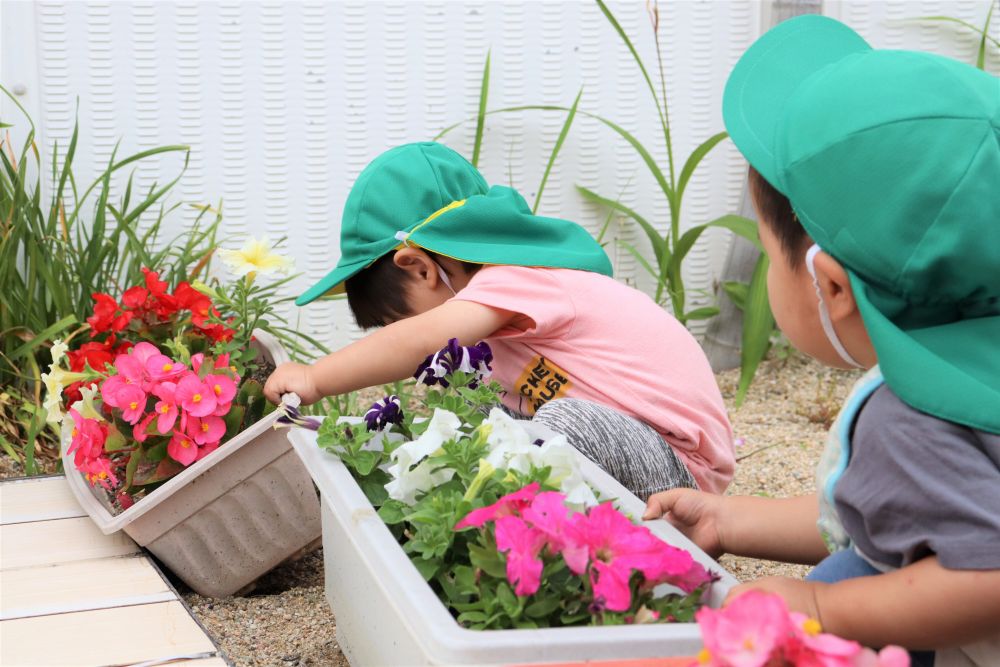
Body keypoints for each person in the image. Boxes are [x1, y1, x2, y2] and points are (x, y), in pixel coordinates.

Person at [643, 15, 1000, 666]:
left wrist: (820, 610)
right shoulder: (968, 356)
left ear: (831, 286)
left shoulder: (910, 422)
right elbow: (894, 510)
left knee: (842, 587)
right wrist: (730, 520)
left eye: (769, 252)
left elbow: (986, 573)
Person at [264, 141, 734, 498]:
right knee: (487, 423)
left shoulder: (519, 278)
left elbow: (420, 341)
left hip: (677, 471)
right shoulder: (496, 326)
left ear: (421, 268)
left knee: (554, 426)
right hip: (626, 455)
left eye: (398, 321)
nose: (402, 335)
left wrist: (315, 377)